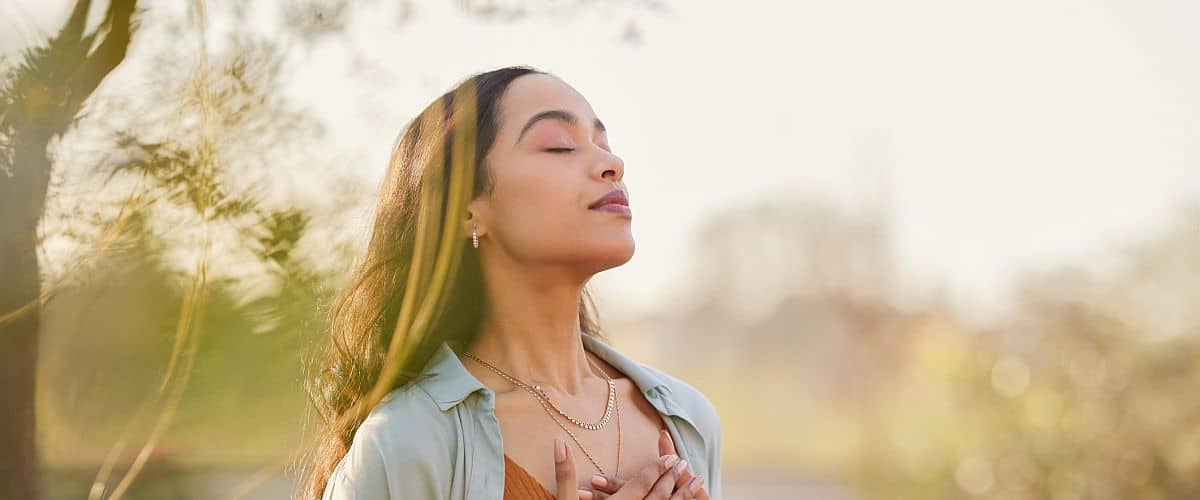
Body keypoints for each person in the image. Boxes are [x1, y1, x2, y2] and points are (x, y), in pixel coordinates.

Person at [299, 65, 722, 500]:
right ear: (467, 210)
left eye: (603, 143)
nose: (612, 164)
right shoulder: (408, 442)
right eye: (560, 146)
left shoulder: (686, 418)